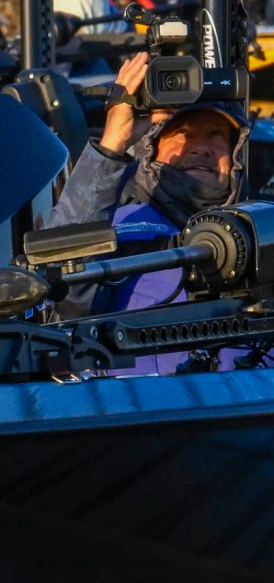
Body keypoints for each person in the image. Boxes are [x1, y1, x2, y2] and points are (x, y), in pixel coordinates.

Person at [47, 51, 250, 372]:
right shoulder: (117, 229)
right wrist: (114, 142)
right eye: (182, 134)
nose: (200, 148)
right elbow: (62, 293)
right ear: (150, 148)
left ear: (236, 156)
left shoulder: (261, 235)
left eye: (217, 136)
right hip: (139, 401)